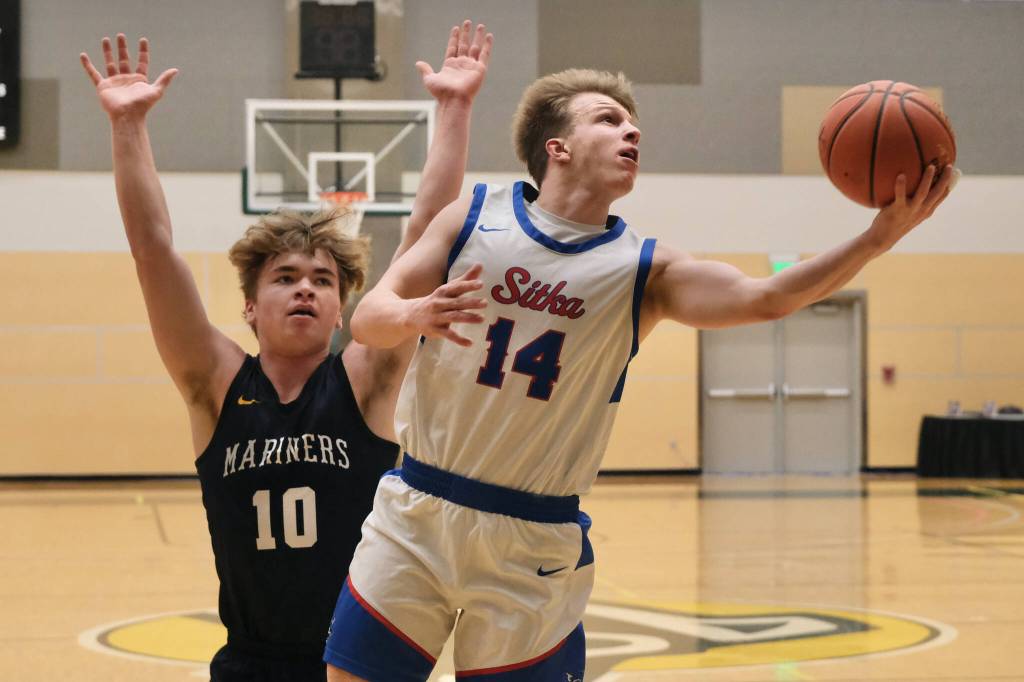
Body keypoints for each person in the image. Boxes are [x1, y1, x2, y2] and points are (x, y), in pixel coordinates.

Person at [323, 68, 956, 681]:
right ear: (558, 146)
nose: (632, 134)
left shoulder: (642, 270)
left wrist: (877, 238)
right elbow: (371, 318)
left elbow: (767, 297)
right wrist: (413, 311)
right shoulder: (473, 215)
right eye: (610, 120)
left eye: (635, 127)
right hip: (418, 510)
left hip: (534, 542)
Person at [79, 21, 493, 682]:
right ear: (249, 305)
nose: (305, 289)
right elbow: (153, 252)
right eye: (285, 278)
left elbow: (424, 238)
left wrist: (455, 108)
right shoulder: (212, 384)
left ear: (340, 308)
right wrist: (127, 127)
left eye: (322, 281)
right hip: (250, 661)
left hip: (358, 657)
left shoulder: (366, 377)